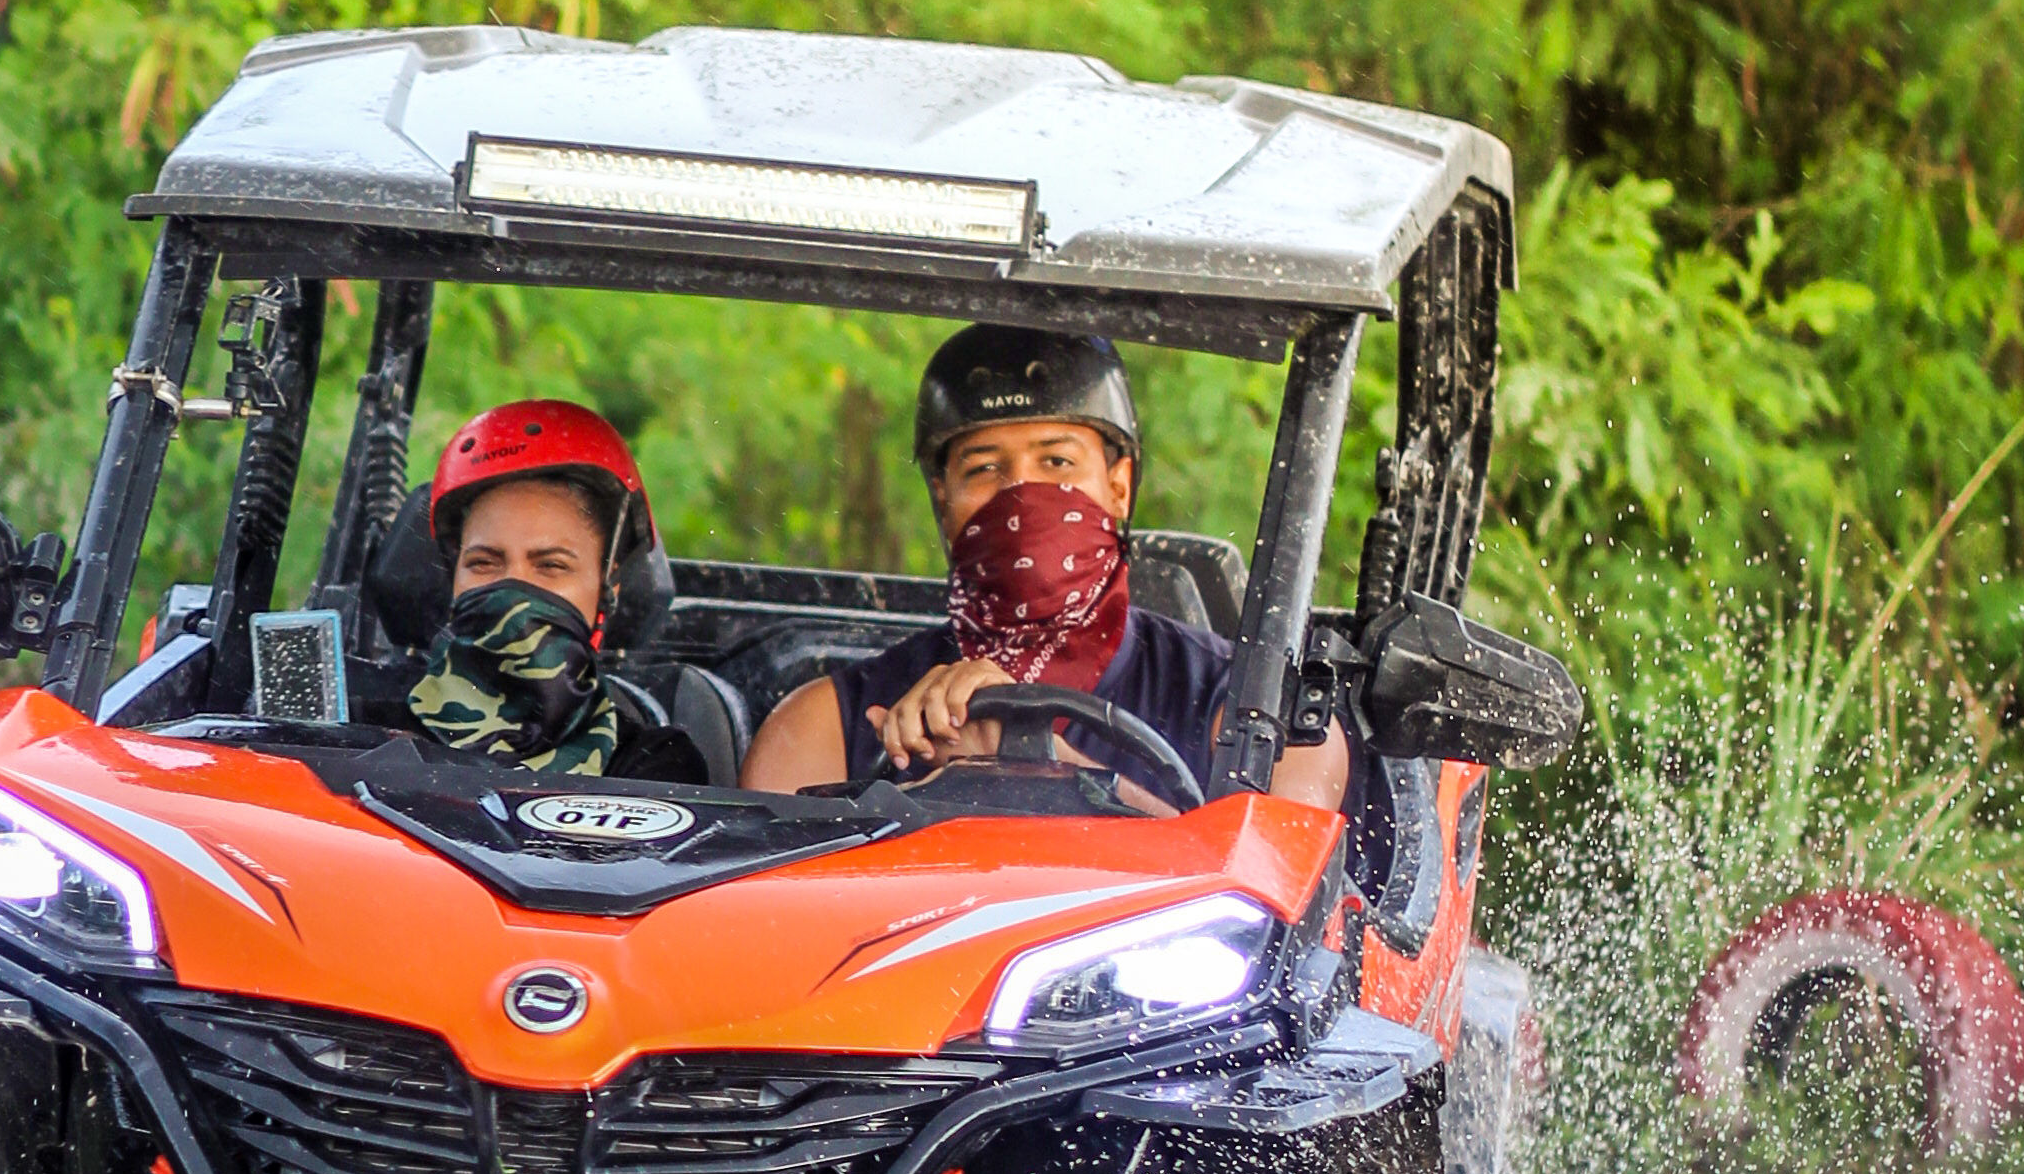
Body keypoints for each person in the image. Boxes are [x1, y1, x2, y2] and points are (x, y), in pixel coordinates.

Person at [746, 322, 1352, 810]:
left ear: (1119, 486)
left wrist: (1041, 760)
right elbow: (763, 927)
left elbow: (1273, 914)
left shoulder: (1249, 713)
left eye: (1058, 463)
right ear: (941, 498)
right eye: (985, 469)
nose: (1022, 497)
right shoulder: (829, 724)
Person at [401, 398, 655, 778]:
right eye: (484, 563)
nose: (514, 588)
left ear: (609, 588)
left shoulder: (656, 767)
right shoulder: (363, 733)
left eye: (551, 566)